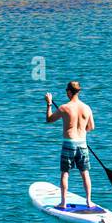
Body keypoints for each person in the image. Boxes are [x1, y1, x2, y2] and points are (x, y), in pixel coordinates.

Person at [45, 81, 98, 210]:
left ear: (69, 92)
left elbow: (49, 119)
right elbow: (91, 127)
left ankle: (63, 202)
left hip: (68, 144)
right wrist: (80, 130)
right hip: (83, 145)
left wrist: (49, 104)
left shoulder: (64, 108)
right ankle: (89, 201)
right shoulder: (87, 108)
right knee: (85, 173)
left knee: (65, 173)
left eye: (66, 91)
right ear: (78, 91)